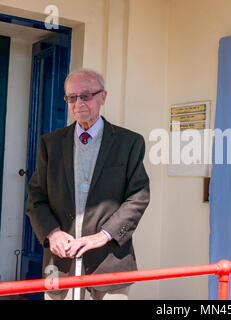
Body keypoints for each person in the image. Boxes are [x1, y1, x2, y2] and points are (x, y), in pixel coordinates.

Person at [26, 69, 150, 300]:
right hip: (59, 264)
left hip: (110, 261)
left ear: (103, 97)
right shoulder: (50, 144)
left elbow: (138, 197)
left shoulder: (129, 143)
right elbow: (36, 197)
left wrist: (104, 235)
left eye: (86, 96)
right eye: (71, 98)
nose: (78, 103)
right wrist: (52, 233)